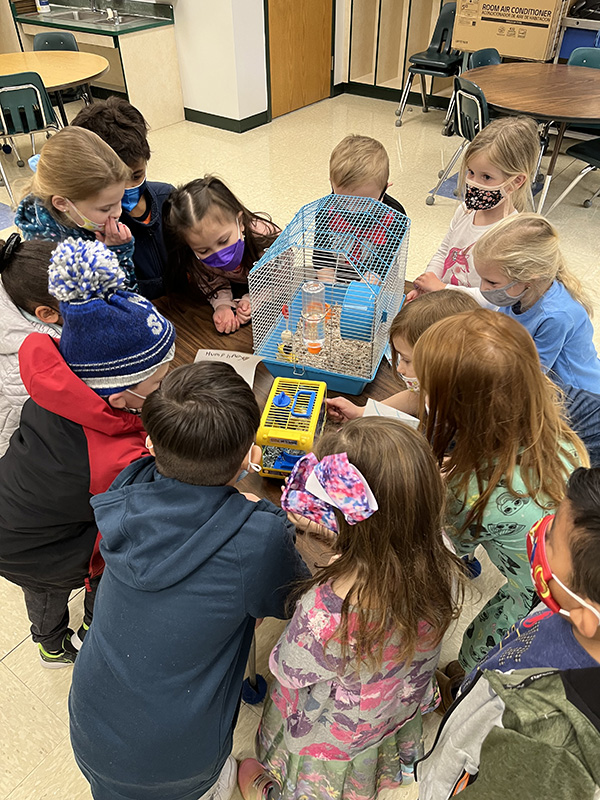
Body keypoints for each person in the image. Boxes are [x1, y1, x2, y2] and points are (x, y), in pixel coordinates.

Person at [69, 361, 310, 800]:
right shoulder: (256, 539)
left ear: (149, 444)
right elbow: (299, 600)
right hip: (180, 760)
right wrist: (264, 516)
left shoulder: (127, 488)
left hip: (91, 731)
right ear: (248, 458)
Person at [238, 418, 464, 800]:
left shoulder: (322, 615)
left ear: (338, 539)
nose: (299, 538)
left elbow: (287, 668)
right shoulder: (445, 560)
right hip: (397, 703)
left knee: (318, 779)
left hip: (336, 730)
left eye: (306, 529)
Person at [0, 238, 175, 668]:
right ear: (120, 398)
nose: (166, 391)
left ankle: (48, 638)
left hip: (17, 521)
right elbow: (127, 522)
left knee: (40, 592)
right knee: (104, 572)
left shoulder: (64, 372)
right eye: (157, 385)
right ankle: (76, 639)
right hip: (34, 546)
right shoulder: (107, 460)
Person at [412, 310, 588, 677]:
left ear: (463, 411)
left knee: (486, 651)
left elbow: (447, 549)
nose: (420, 393)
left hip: (535, 595)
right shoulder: (558, 435)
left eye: (428, 389)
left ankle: (463, 683)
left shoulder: (467, 493)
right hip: (575, 575)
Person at [417, 469, 600, 799]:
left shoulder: (541, 743)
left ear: (587, 615)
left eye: (551, 538)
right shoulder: (568, 604)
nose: (538, 531)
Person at [407, 116, 539, 305]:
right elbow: (444, 251)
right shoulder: (465, 211)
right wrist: (427, 283)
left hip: (473, 318)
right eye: (471, 172)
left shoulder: (511, 235)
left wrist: (442, 289)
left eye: (486, 177)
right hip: (445, 302)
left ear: (516, 181)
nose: (474, 183)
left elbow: (494, 300)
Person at [473, 213, 600, 393]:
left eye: (492, 283)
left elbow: (532, 373)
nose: (483, 288)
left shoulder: (556, 316)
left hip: (574, 392)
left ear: (528, 276)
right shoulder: (517, 291)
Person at [72, 97, 174, 299]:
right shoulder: (90, 226)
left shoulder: (167, 198)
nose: (125, 189)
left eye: (136, 175)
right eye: (113, 182)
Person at [327, 291, 479, 423]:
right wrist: (362, 413)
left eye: (407, 360)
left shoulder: (471, 410)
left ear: (445, 360)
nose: (399, 368)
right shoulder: (437, 386)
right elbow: (416, 397)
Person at [14, 126, 136, 289]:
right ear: (62, 203)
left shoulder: (81, 214)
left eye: (119, 200)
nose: (118, 213)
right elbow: (117, 300)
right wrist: (116, 252)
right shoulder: (55, 257)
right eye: (106, 208)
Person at [163, 176, 279, 333]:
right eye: (204, 251)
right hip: (236, 289)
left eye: (223, 241)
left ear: (240, 223)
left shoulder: (266, 239)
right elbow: (212, 282)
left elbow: (282, 278)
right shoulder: (196, 259)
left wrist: (253, 300)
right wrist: (222, 305)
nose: (218, 254)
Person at [0, 234, 62, 455]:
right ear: (47, 313)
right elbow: (57, 428)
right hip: (21, 452)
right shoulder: (25, 365)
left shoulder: (21, 281)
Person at [329, 134, 406, 215]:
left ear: (384, 190)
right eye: (344, 201)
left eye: (363, 204)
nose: (352, 210)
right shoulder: (327, 211)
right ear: (332, 184)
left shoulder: (395, 214)